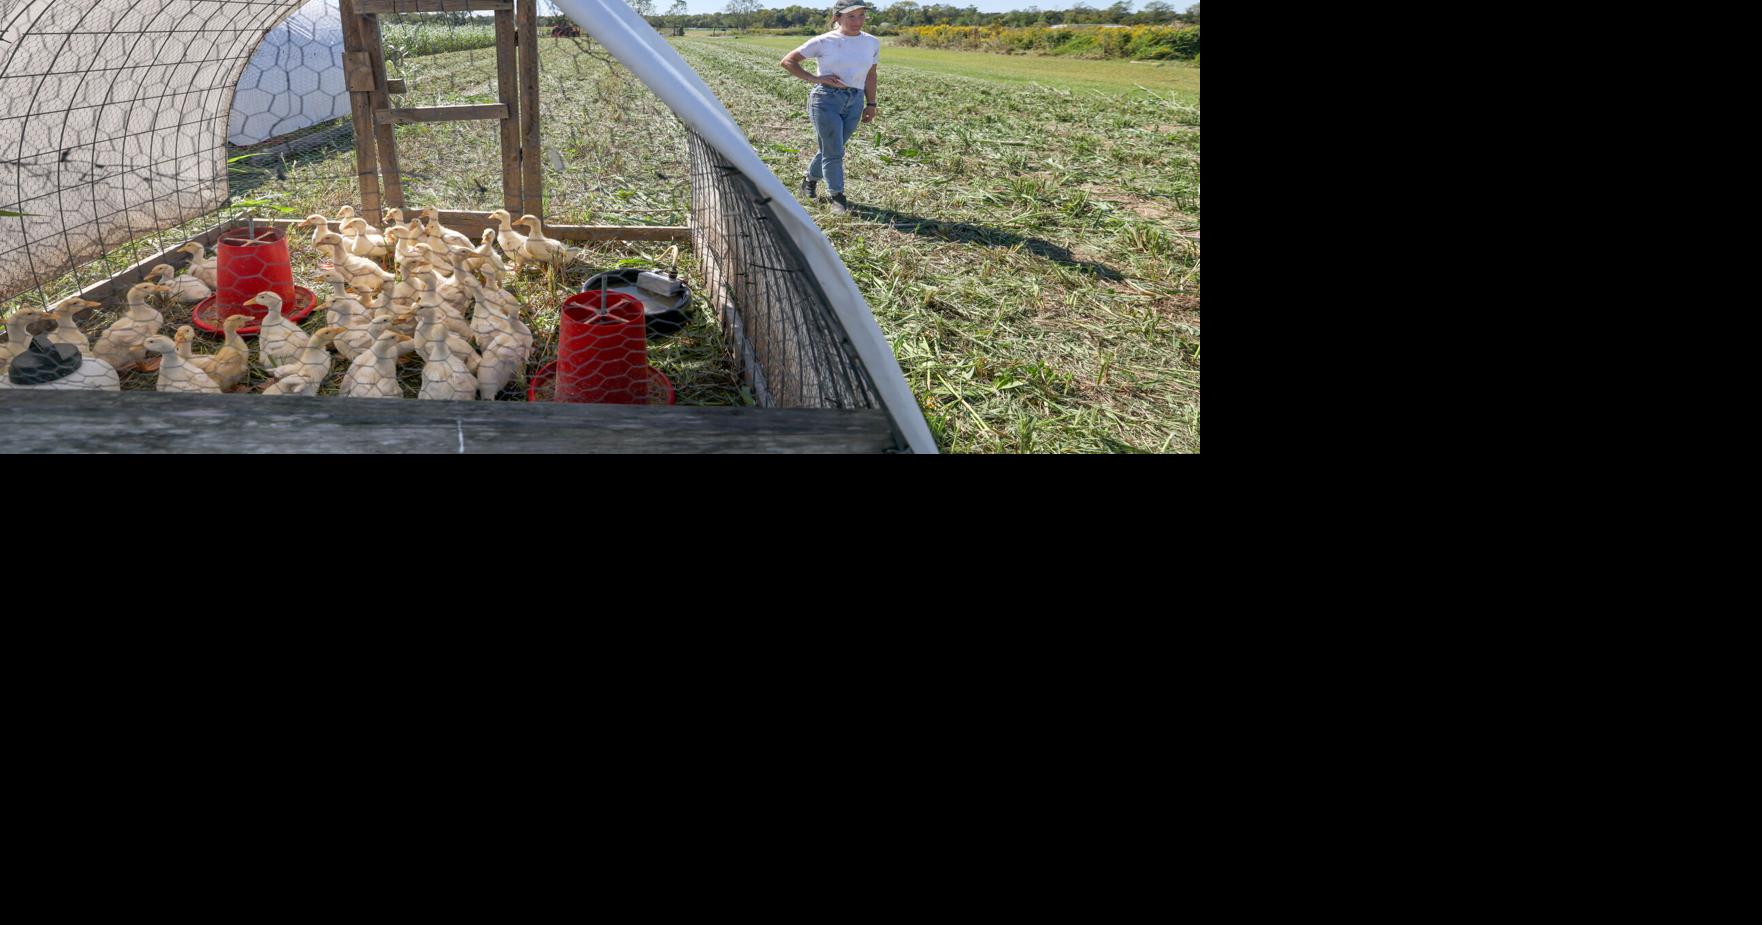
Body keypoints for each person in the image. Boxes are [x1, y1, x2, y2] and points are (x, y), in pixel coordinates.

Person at [779, 1, 880, 214]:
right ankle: (838, 196)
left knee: (831, 148)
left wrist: (871, 104)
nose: (857, 21)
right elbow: (788, 61)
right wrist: (815, 78)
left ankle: (809, 180)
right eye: (851, 16)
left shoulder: (871, 42)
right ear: (837, 17)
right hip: (826, 100)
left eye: (861, 15)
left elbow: (871, 75)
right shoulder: (824, 41)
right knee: (834, 151)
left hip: (855, 100)